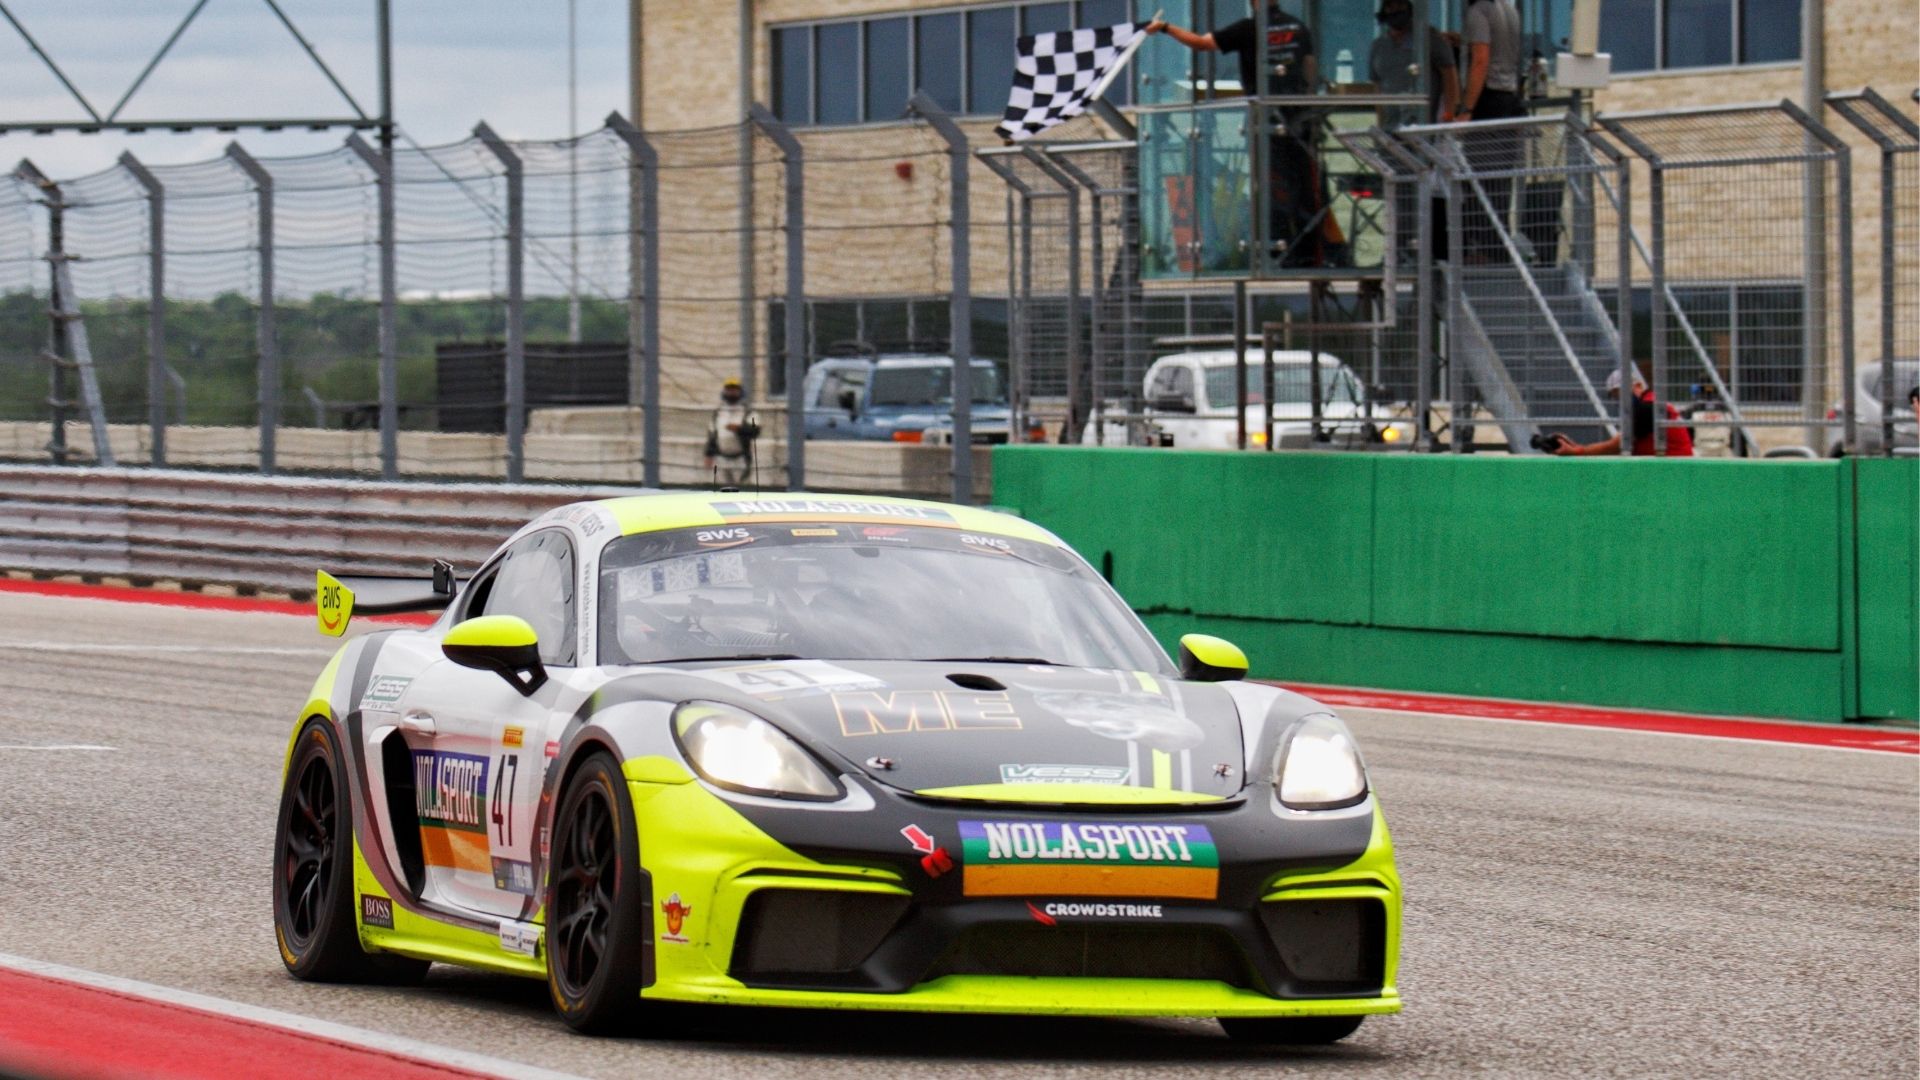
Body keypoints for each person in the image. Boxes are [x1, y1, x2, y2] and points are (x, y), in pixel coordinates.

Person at [1145, 4, 1346, 268]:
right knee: (1305, 186)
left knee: (1272, 185)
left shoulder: (1249, 28)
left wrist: (1165, 27)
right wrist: (1307, 106)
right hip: (1299, 119)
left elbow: (1201, 43)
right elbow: (1310, 67)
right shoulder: (1296, 26)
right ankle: (1311, 252)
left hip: (1266, 120)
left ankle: (1283, 250)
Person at [1456, 0, 1523, 260]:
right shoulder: (1509, 9)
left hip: (1489, 100)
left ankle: (1485, 250)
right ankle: (1498, 247)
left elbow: (1481, 60)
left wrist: (1466, 109)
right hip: (1509, 99)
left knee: (1479, 182)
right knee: (1499, 182)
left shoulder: (1478, 11)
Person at [1551, 368, 1695, 457]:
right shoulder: (1652, 403)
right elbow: (1619, 442)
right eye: (1617, 397)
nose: (1621, 401)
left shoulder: (1647, 408)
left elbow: (1617, 446)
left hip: (1671, 470)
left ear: (1638, 386)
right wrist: (1576, 447)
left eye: (1622, 394)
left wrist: (1578, 451)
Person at [1370, 0, 1460, 128]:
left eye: (1400, 5)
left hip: (1425, 125)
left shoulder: (1429, 38)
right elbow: (1377, 86)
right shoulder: (1378, 46)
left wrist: (1449, 113)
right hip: (1391, 126)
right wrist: (1381, 123)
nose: (1395, 11)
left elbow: (1449, 74)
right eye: (1390, 7)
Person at [703, 376, 761, 486]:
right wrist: (708, 454)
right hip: (721, 458)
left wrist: (739, 429)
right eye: (729, 390)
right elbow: (712, 435)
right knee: (722, 488)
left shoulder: (748, 412)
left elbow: (755, 430)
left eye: (734, 390)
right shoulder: (718, 412)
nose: (731, 393)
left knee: (741, 487)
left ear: (740, 392)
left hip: (740, 458)